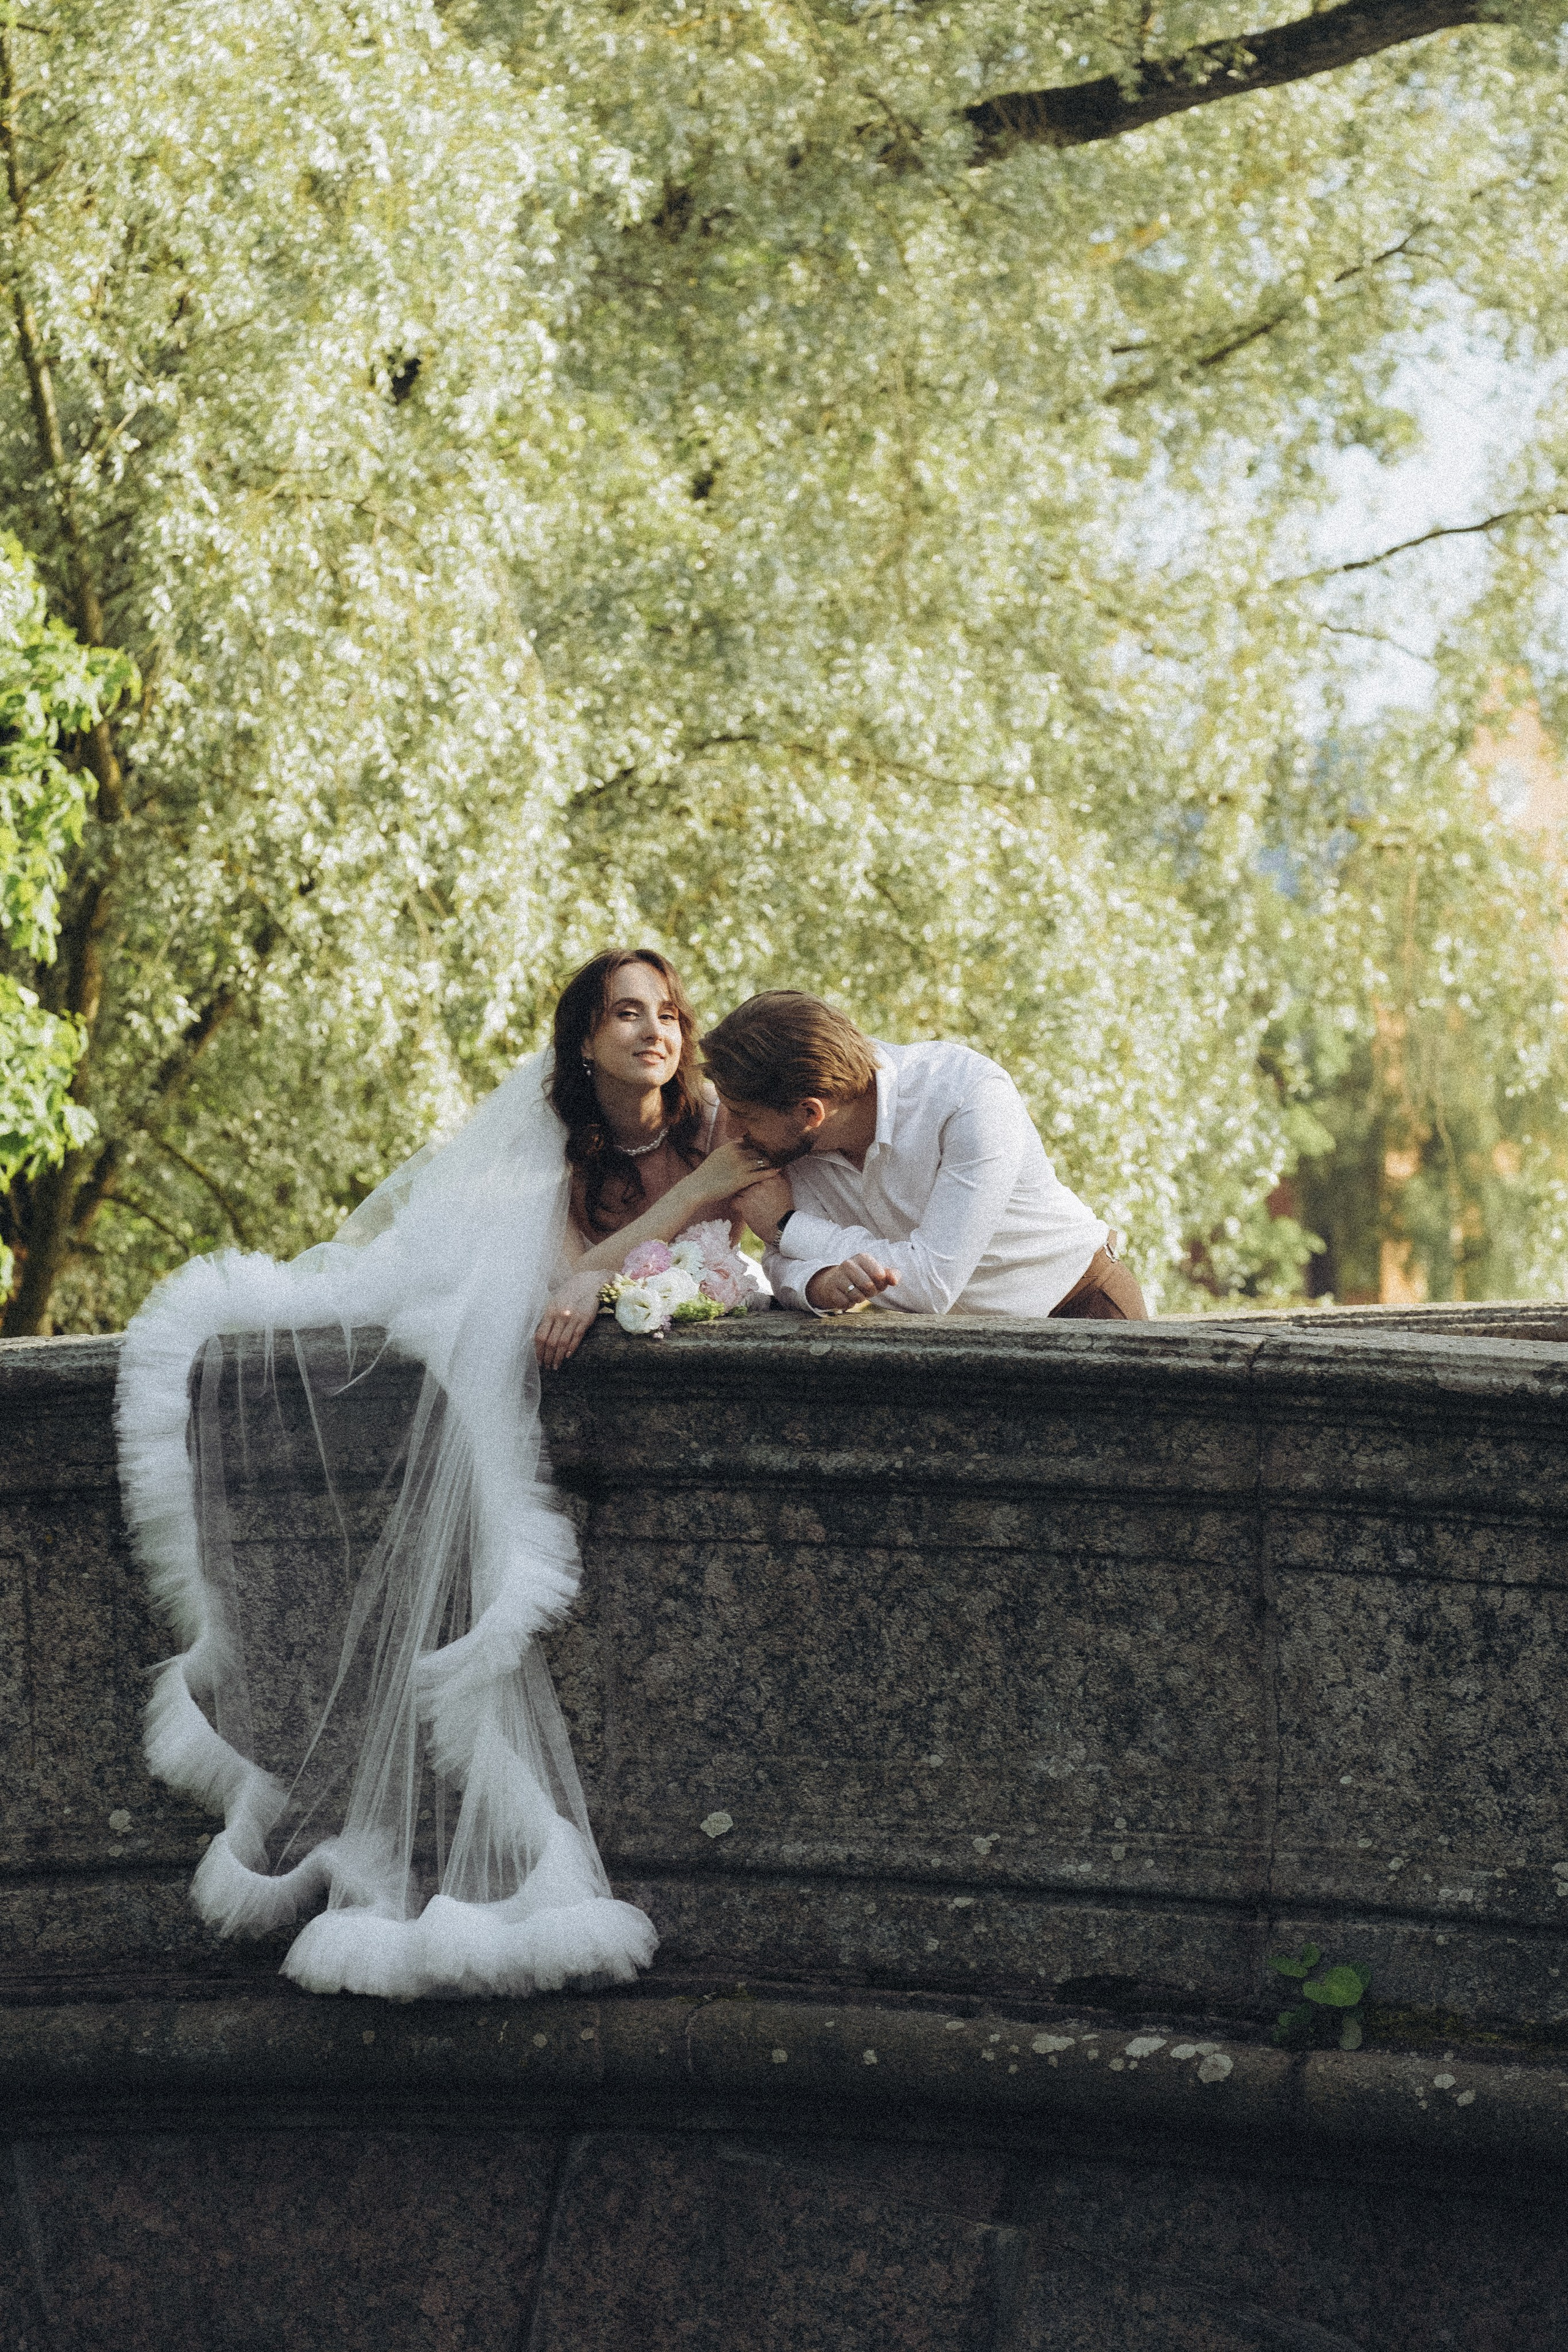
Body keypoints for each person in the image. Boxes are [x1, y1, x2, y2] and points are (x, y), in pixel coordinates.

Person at [115, 948, 771, 2004]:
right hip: (484, 1308)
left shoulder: (723, 1129)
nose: (656, 1034)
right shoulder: (559, 1145)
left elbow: (773, 1236)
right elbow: (553, 1280)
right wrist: (655, 1232)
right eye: (625, 1016)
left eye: (670, 1016)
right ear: (586, 1040)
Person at [698, 991, 1148, 1321]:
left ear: (810, 1112)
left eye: (742, 1116)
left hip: (1079, 1307)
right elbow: (782, 1260)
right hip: (958, 1345)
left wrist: (789, 1225)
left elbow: (931, 1284)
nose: (734, 1134)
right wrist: (818, 1286)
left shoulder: (967, 1095)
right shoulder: (789, 1138)